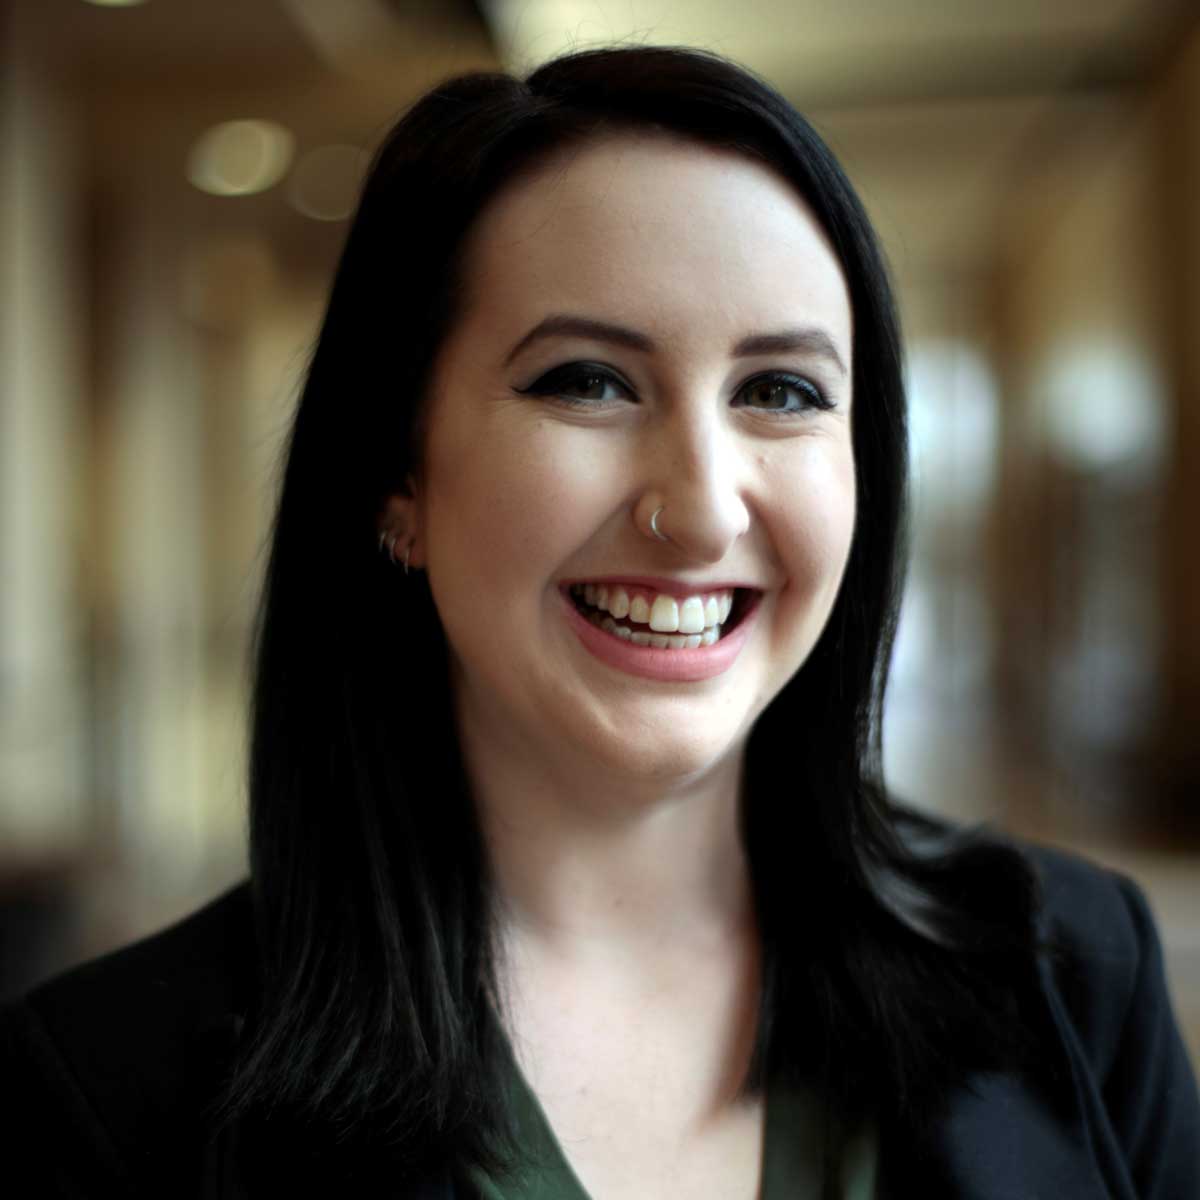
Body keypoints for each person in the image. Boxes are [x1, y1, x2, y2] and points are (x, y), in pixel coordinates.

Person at [2, 44, 1197, 1200]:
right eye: (588, 381)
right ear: (396, 472)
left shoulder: (1079, 974)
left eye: (781, 391)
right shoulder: (105, 1096)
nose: (699, 509)